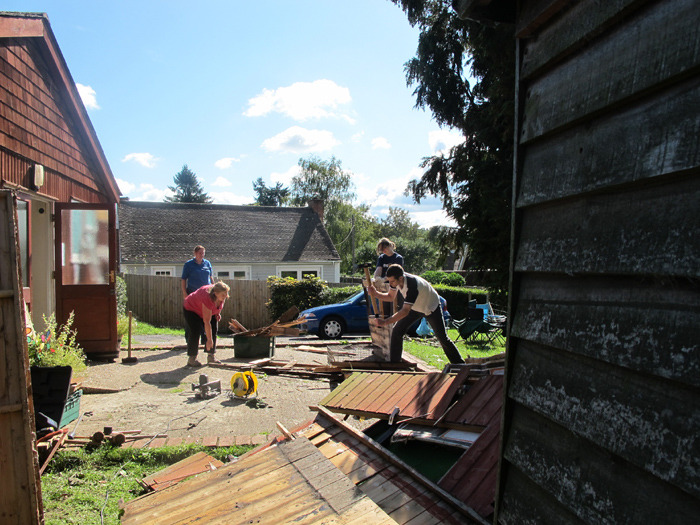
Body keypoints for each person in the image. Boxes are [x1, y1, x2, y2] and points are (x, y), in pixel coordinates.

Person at [368, 264, 465, 365]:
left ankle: (459, 364)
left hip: (431, 307)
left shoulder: (412, 285)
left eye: (392, 281)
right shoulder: (395, 281)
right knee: (397, 330)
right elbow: (390, 297)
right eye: (389, 281)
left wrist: (385, 322)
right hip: (415, 307)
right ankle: (395, 363)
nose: (391, 284)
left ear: (400, 278)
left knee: (442, 337)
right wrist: (375, 294)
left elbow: (405, 311)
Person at [183, 281, 230, 367]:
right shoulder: (207, 297)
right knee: (195, 331)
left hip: (206, 309)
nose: (225, 296)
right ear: (215, 293)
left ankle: (211, 357)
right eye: (223, 294)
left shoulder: (221, 296)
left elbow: (217, 306)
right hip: (191, 308)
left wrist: (217, 313)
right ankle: (192, 359)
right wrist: (209, 340)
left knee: (214, 329)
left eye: (226, 294)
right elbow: (206, 322)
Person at [181, 245, 214, 344]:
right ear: (195, 253)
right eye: (200, 253)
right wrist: (184, 293)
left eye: (203, 253)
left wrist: (214, 288)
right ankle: (190, 339)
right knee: (191, 316)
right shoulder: (189, 265)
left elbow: (211, 277)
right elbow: (183, 279)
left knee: (206, 317)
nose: (202, 255)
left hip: (206, 294)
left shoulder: (207, 263)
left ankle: (205, 339)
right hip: (194, 294)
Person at [373, 238, 404, 316]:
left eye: (384, 248)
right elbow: (378, 269)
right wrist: (377, 277)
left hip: (396, 287)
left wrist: (383, 279)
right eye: (381, 250)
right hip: (385, 288)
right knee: (385, 312)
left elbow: (396, 274)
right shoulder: (382, 258)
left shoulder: (398, 258)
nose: (383, 251)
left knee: (396, 311)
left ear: (390, 246)